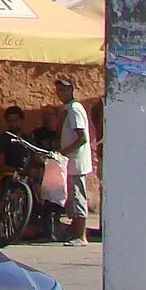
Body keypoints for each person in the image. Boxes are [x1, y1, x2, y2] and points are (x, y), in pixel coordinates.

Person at [55, 77, 94, 243]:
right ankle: (75, 231)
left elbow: (82, 138)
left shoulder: (75, 109)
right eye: (59, 90)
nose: (61, 93)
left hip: (76, 162)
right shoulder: (68, 109)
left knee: (78, 197)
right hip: (70, 162)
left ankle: (81, 235)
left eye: (64, 90)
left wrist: (64, 152)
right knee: (72, 197)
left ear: (72, 90)